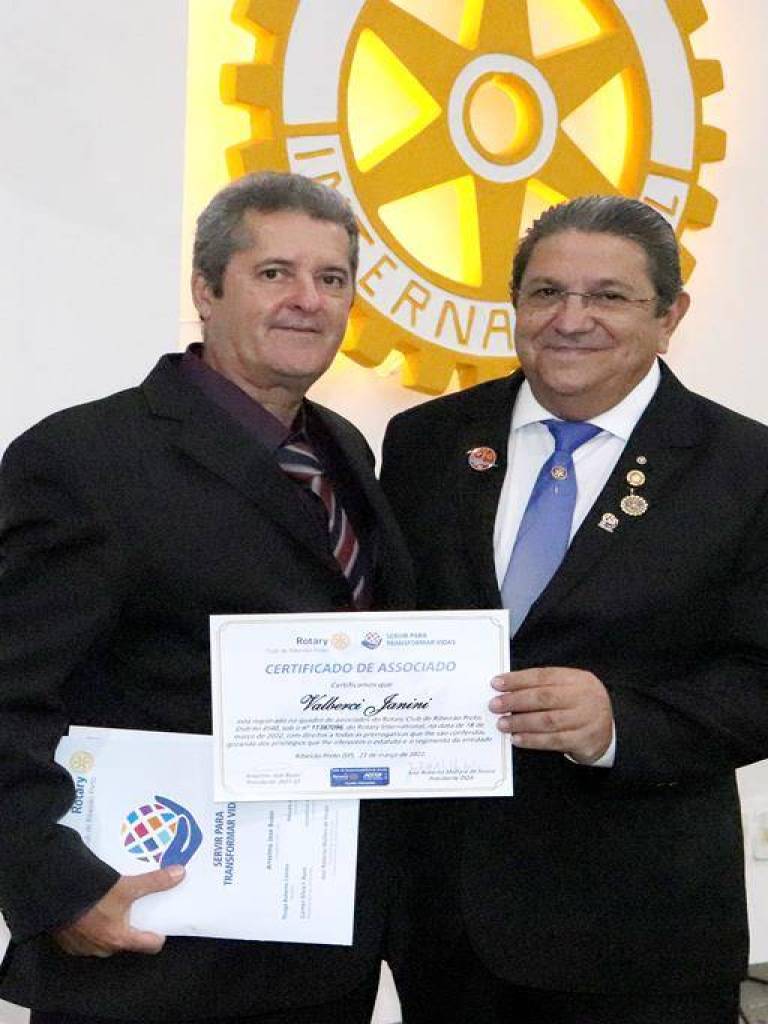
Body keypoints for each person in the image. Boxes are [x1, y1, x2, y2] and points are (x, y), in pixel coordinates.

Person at [0, 171, 414, 1023]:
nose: (307, 300)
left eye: (332, 278)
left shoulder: (345, 450)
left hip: (317, 956)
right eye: (274, 273)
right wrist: (58, 887)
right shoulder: (86, 459)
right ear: (204, 290)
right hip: (151, 956)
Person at [380, 195, 768, 1024]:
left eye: (608, 296)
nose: (571, 319)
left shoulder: (745, 467)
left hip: (641, 936)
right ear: (515, 305)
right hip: (446, 927)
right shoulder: (424, 443)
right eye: (547, 292)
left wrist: (618, 724)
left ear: (670, 316)